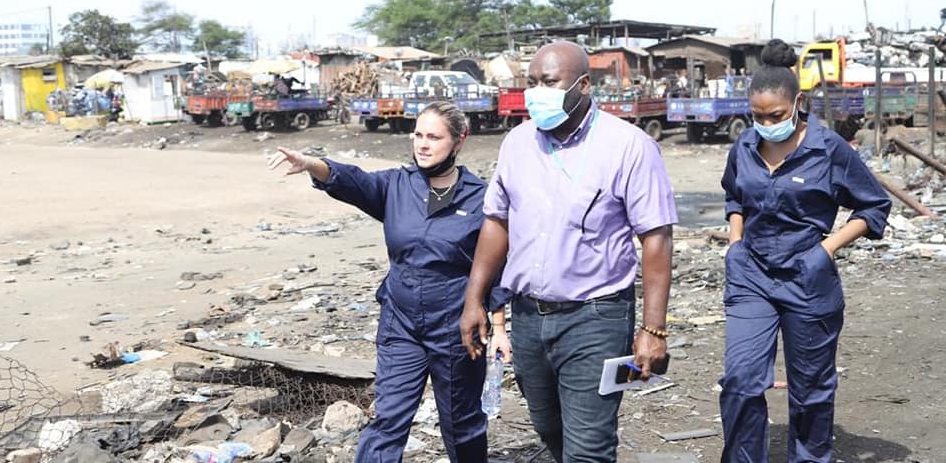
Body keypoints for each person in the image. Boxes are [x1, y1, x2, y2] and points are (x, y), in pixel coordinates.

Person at [459, 41, 677, 462]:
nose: (536, 92)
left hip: (596, 319)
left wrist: (653, 330)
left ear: (583, 85)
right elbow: (496, 222)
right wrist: (474, 300)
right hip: (526, 319)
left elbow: (656, 239)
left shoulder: (628, 146)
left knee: (589, 449)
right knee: (549, 431)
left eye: (549, 82)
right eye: (532, 82)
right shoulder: (517, 143)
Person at [268, 101, 509, 463]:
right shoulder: (396, 185)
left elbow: (494, 265)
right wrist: (311, 164)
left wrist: (500, 325)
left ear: (459, 141)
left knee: (463, 424)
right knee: (388, 420)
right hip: (402, 324)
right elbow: (353, 180)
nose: (423, 145)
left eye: (434, 137)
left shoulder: (481, 197)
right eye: (418, 135)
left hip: (457, 326)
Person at [719, 39, 891, 463]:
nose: (765, 123)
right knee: (740, 379)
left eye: (775, 115)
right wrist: (736, 242)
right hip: (751, 276)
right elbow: (734, 196)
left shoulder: (828, 148)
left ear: (798, 102)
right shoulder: (744, 146)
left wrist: (826, 249)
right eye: (756, 116)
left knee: (811, 390)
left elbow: (874, 206)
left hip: (808, 281)